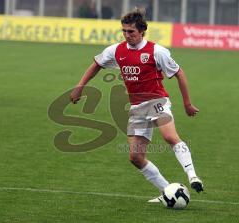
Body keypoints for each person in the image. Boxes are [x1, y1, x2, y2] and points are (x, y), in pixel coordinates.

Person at [70, 9, 204, 202]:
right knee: (135, 157)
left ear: (142, 31)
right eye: (124, 31)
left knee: (169, 136)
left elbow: (179, 73)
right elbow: (96, 64)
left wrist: (187, 104)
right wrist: (79, 87)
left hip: (157, 101)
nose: (127, 35)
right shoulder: (116, 50)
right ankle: (168, 192)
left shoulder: (157, 51)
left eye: (131, 31)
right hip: (136, 108)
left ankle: (192, 175)